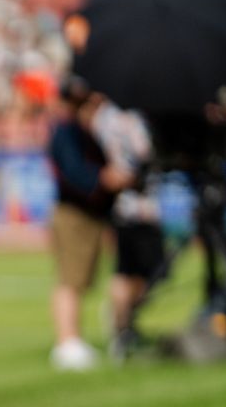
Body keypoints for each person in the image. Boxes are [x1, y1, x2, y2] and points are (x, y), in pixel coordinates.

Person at [46, 76, 131, 370]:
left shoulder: (86, 131)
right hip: (74, 213)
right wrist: (106, 179)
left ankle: (71, 341)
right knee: (71, 279)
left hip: (90, 213)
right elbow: (76, 174)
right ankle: (67, 342)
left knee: (80, 279)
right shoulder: (66, 131)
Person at [91, 98, 164, 362]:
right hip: (138, 206)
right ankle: (121, 322)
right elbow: (144, 152)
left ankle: (124, 324)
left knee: (130, 270)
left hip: (123, 205)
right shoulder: (132, 119)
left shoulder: (102, 117)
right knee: (143, 269)